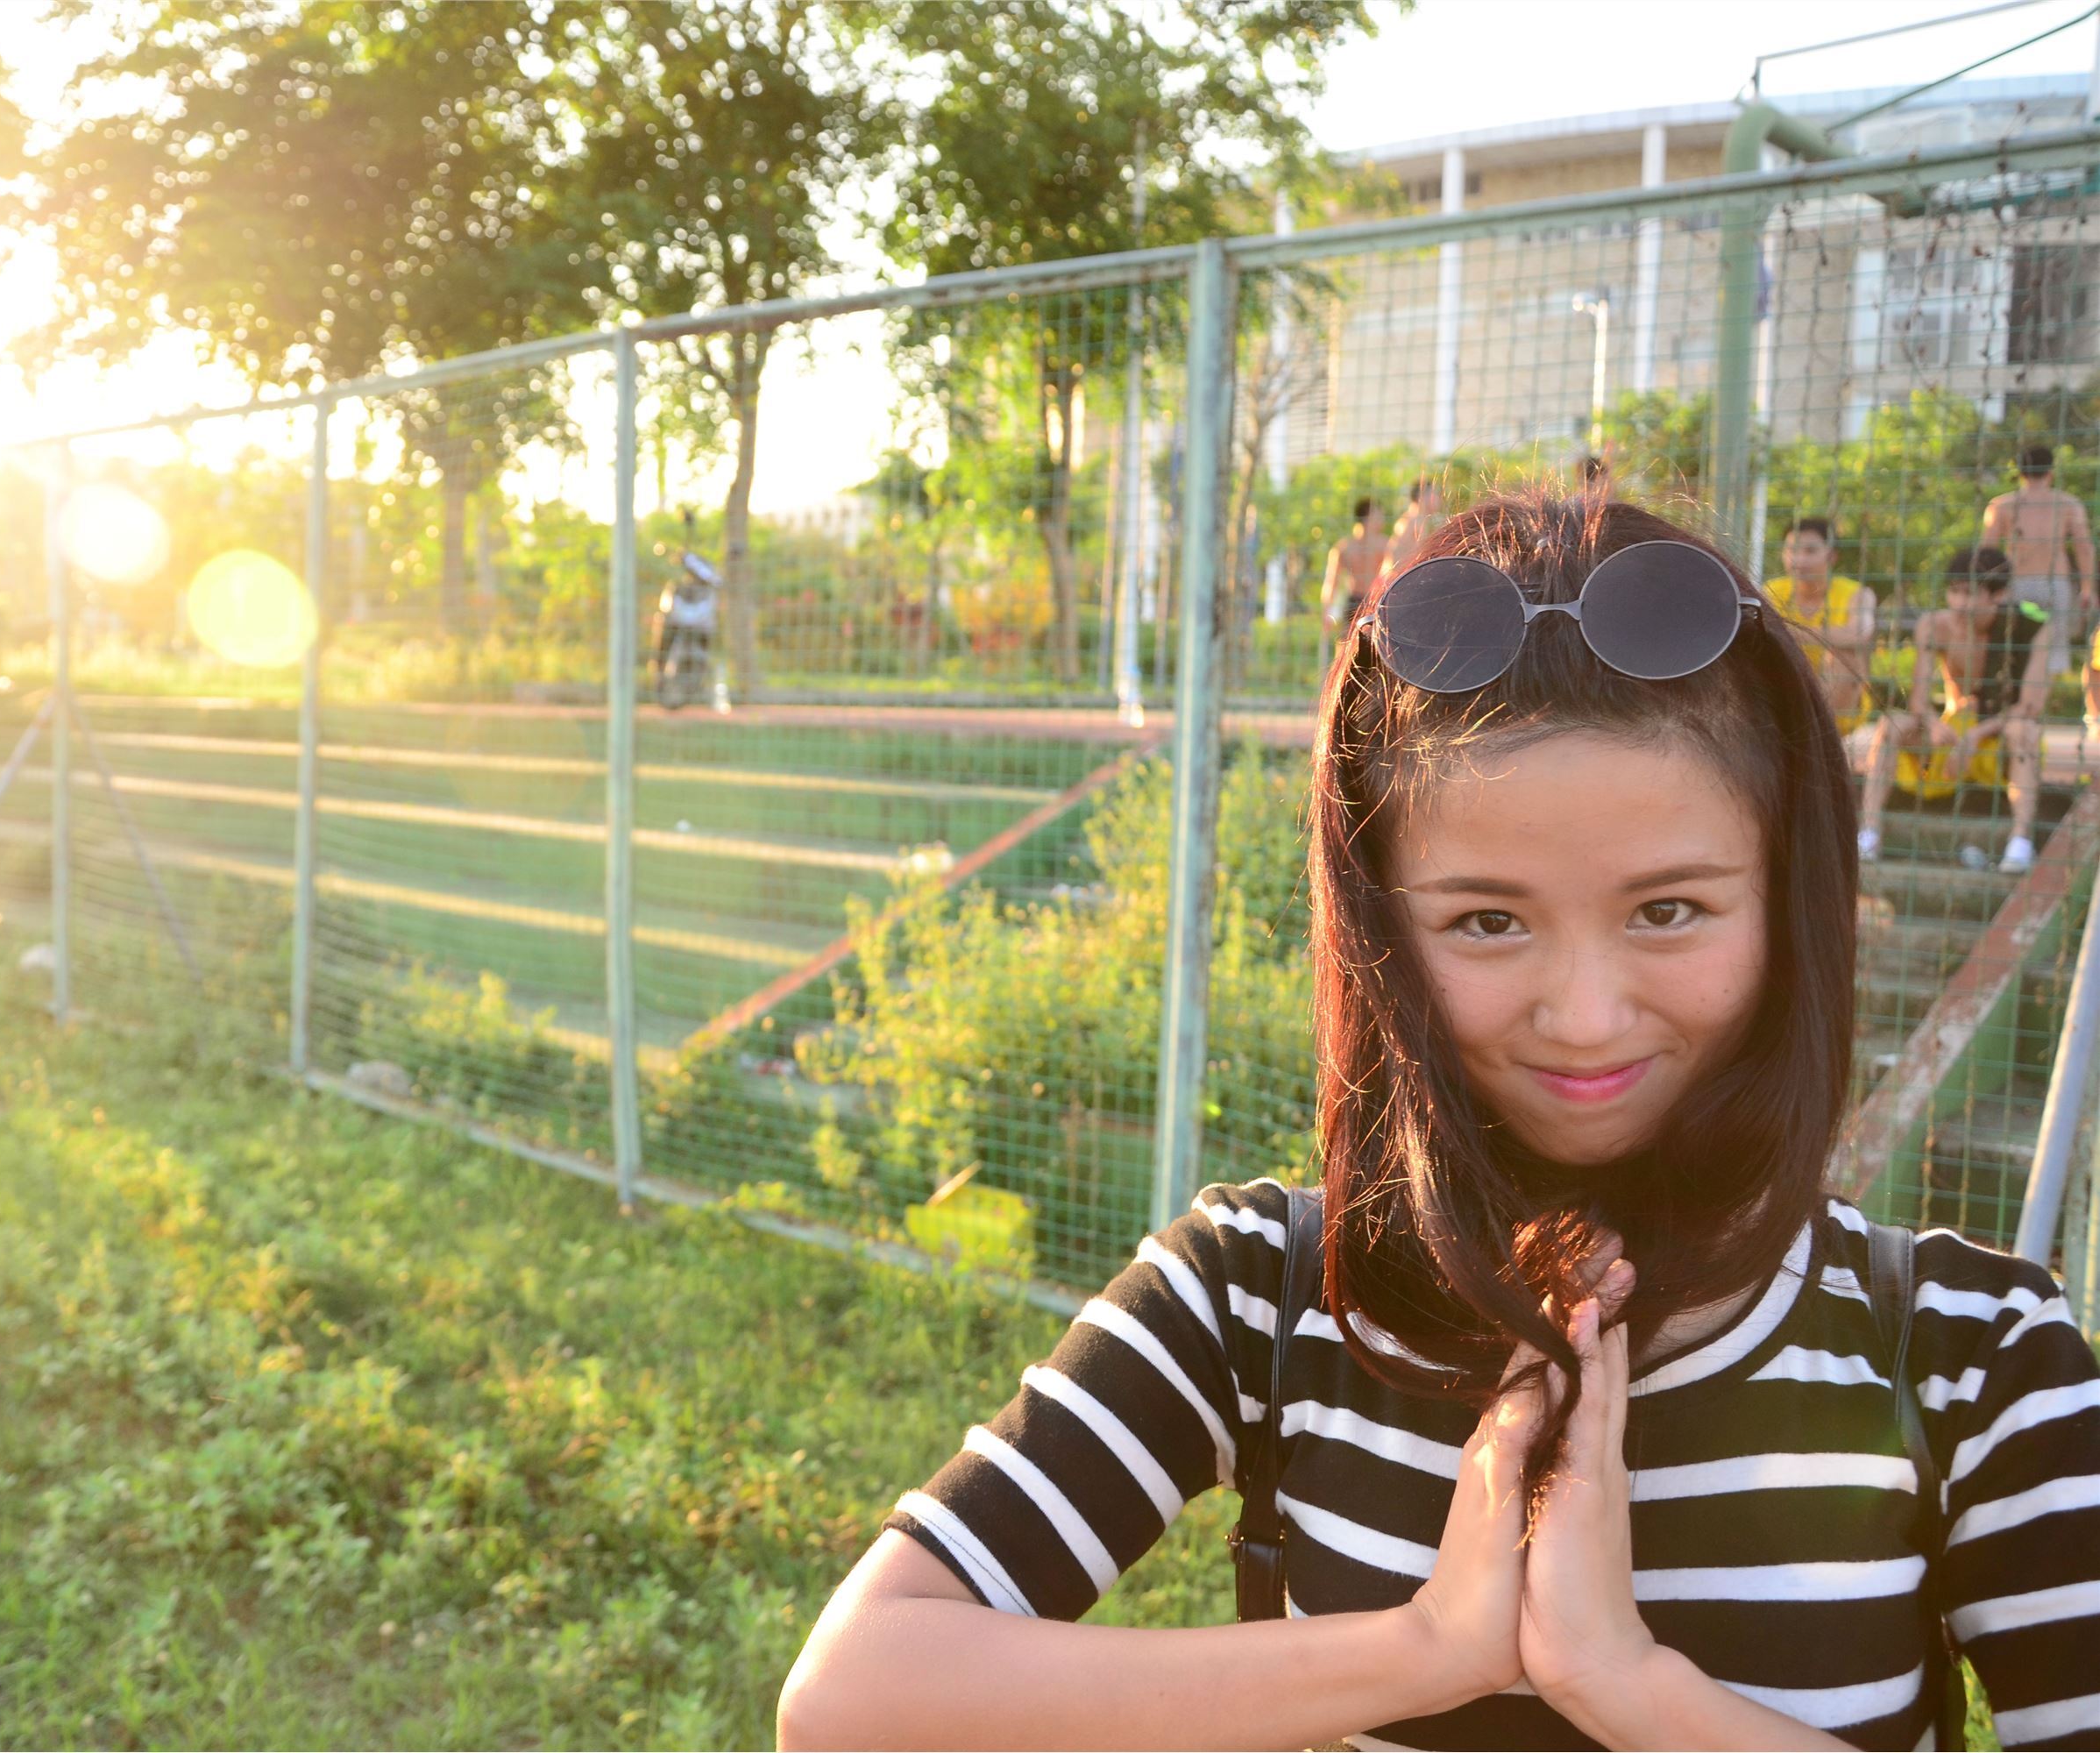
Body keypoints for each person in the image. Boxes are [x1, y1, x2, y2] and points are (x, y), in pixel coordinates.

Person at [777, 489, 2099, 1751]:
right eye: (1486, 920)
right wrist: (1423, 1648)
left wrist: (1627, 1684)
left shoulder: (1970, 1358)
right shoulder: (1259, 1293)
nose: (1583, 1016)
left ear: (1783, 904)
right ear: (1379, 932)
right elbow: (850, 1706)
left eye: (1667, 910)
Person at [1856, 545, 2055, 876]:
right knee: (1892, 725)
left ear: (1998, 595)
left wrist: (1976, 735)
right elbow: (1918, 700)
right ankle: (1869, 833)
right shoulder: (1934, 626)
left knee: (2025, 731)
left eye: (1971, 594)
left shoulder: (2030, 627)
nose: (1960, 603)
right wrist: (1935, 726)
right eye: (1955, 592)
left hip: (1997, 741)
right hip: (1948, 738)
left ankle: (2020, 842)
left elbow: (2029, 705)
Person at [1761, 515, 1876, 726]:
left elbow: (1860, 633)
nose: (1799, 560)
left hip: (1842, 707)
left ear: (1832, 556)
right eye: (1792, 550)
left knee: (1845, 653)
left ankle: (1827, 731)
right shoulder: (1772, 590)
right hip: (1789, 688)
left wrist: (1791, 632)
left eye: (1810, 551)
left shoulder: (1857, 593)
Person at [1982, 443, 2093, 635]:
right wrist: (2088, 588)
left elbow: (1987, 551)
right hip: (2054, 582)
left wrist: (1988, 590)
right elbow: (2083, 547)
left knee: (2014, 642)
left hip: (2015, 582)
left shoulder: (2001, 506)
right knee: (2054, 645)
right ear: (2050, 472)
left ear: (2021, 473)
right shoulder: (2069, 504)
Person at [1321, 498, 1386, 632]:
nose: (1382, 520)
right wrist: (1326, 612)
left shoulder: (1384, 545)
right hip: (1356, 603)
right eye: (1379, 515)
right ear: (1368, 517)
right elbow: (1332, 582)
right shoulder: (1344, 548)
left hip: (1375, 601)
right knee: (1348, 641)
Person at [1379, 476, 1443, 586]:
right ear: (1422, 496)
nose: (1439, 498)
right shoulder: (1415, 521)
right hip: (1392, 583)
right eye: (1435, 494)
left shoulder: (1413, 519)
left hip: (1393, 581)